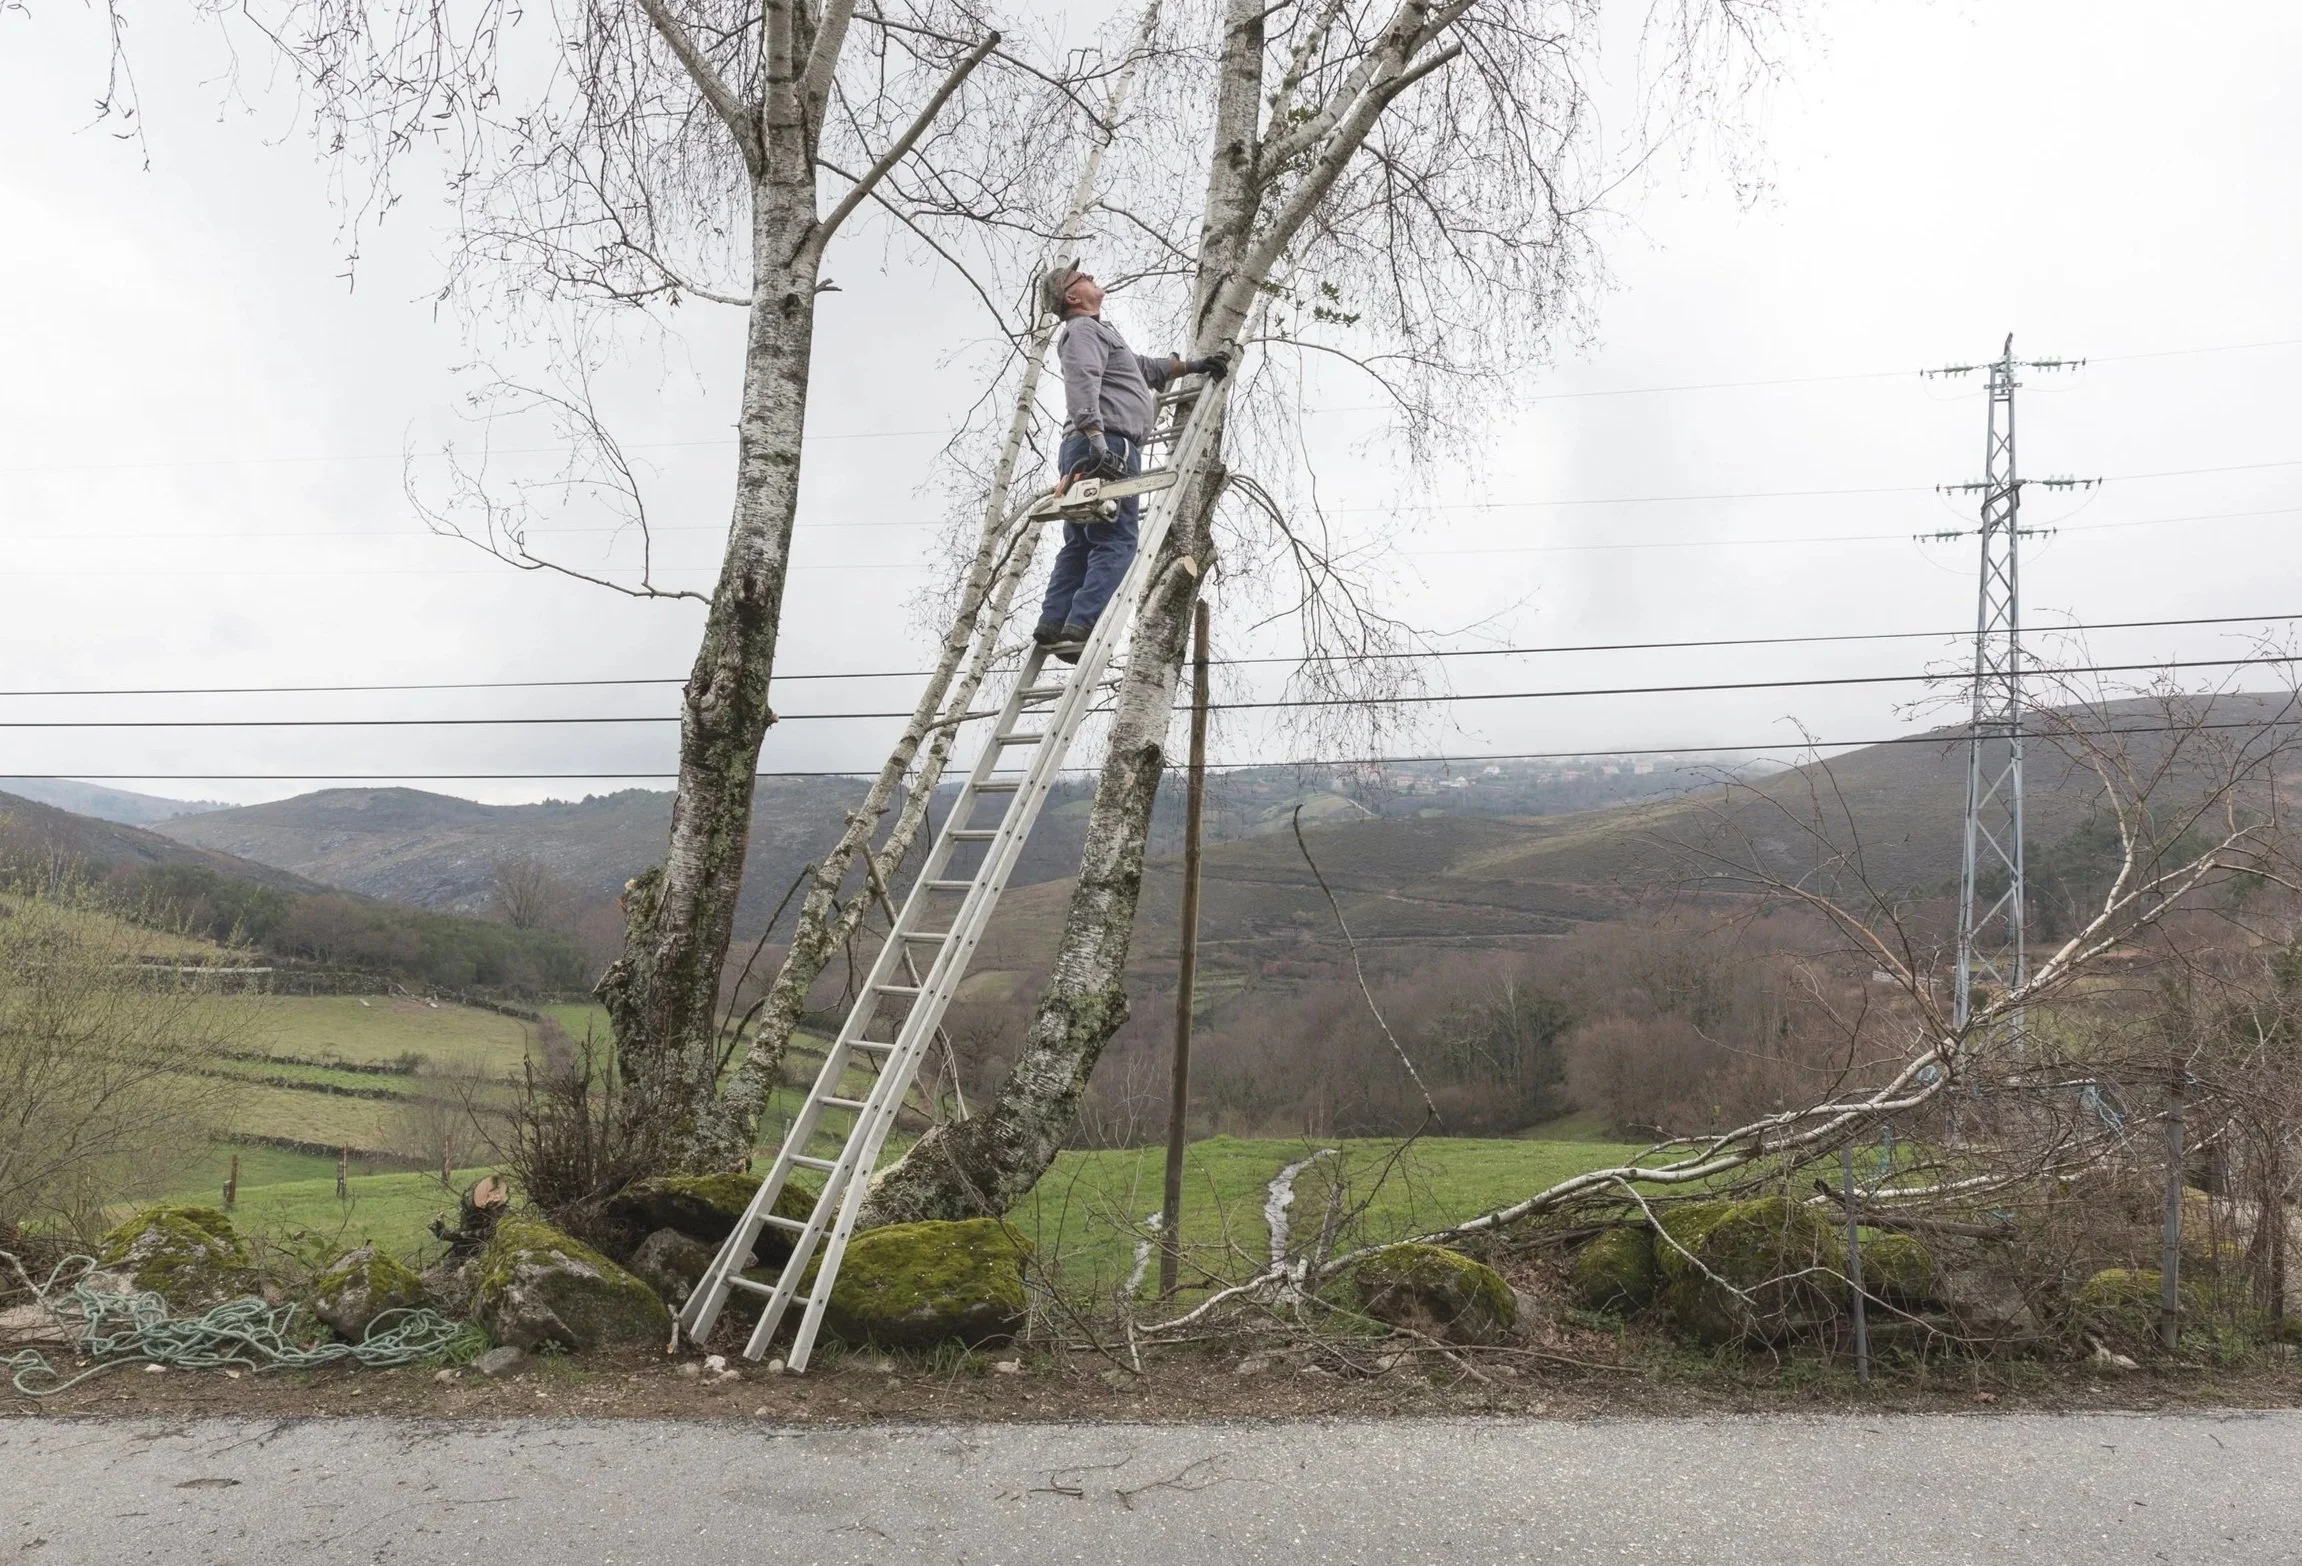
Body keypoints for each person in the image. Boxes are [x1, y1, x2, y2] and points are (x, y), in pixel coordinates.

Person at [1031, 262, 1229, 661]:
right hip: (1106, 444)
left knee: (1081, 541)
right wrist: (1097, 438)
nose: (1090, 276)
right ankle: (1083, 624)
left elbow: (1143, 369)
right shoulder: (1084, 331)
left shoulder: (1099, 334)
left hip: (1087, 445)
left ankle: (1054, 623)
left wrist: (1193, 366)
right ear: (1072, 296)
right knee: (1117, 539)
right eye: (1082, 277)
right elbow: (1081, 379)